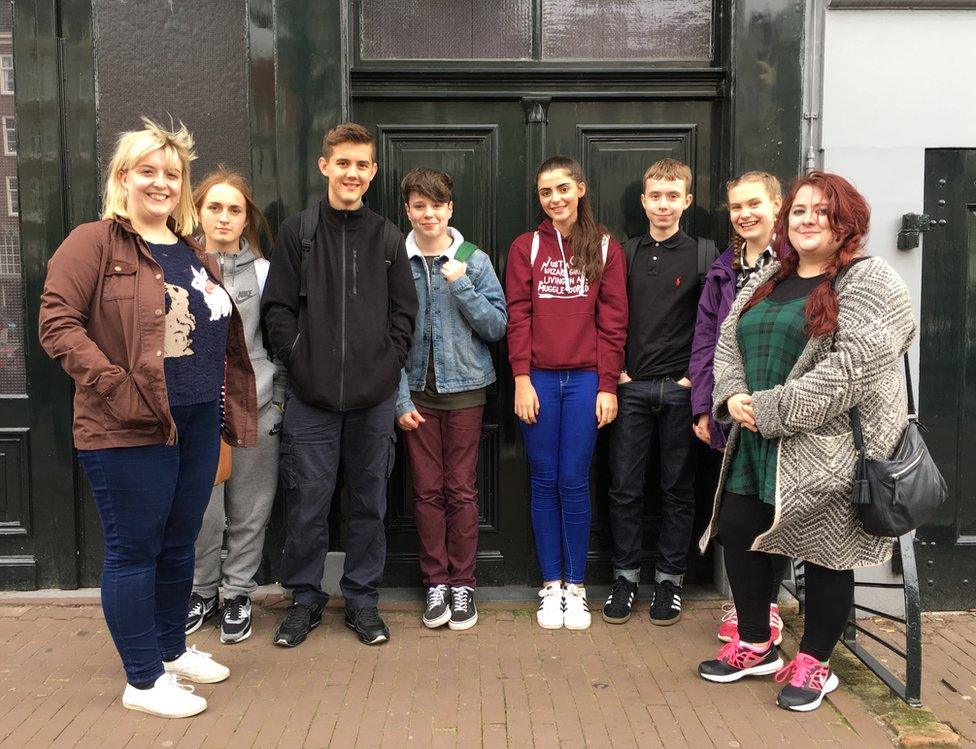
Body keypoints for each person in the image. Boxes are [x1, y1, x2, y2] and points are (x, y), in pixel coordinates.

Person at [38, 118, 257, 718]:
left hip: (193, 422)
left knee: (179, 543)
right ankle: (142, 679)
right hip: (127, 426)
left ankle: (168, 650)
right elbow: (57, 323)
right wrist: (114, 384)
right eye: (147, 171)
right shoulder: (93, 243)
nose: (160, 183)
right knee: (134, 550)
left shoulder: (190, 251)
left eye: (171, 173)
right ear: (122, 178)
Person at [696, 172, 915, 712]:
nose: (808, 220)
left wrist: (769, 409)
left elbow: (853, 369)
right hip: (755, 438)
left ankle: (816, 663)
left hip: (831, 448)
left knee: (825, 553)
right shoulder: (768, 277)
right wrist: (732, 397)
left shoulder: (871, 280)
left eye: (823, 211)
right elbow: (726, 345)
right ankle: (756, 643)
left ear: (848, 222)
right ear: (785, 221)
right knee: (741, 529)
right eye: (799, 211)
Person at [262, 122, 418, 647]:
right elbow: (278, 310)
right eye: (343, 162)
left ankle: (361, 601)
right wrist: (300, 362)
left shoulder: (389, 237)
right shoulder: (298, 232)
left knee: (369, 504)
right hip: (312, 399)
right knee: (308, 502)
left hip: (373, 401)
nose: (352, 172)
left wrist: (387, 363)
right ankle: (304, 600)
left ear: (373, 172)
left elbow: (404, 313)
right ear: (325, 165)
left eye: (361, 165)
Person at [506, 155, 628, 631]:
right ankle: (550, 584)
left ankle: (576, 587)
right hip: (536, 379)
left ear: (580, 188)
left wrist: (606, 385)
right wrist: (520, 378)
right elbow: (518, 315)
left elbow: (613, 320)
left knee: (574, 481)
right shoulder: (527, 246)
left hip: (584, 381)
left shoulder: (604, 246)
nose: (554, 199)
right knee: (543, 481)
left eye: (562, 188)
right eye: (545, 192)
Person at [395, 167, 507, 631]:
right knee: (425, 491)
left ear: (450, 209)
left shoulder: (472, 259)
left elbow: (497, 326)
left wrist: (460, 283)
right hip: (417, 394)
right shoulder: (396, 262)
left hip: (465, 392)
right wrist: (400, 399)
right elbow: (388, 336)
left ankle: (463, 584)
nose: (428, 214)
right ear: (408, 210)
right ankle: (434, 583)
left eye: (436, 205)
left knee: (460, 490)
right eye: (419, 206)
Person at [603, 158, 714, 627]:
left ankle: (670, 581)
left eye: (673, 196)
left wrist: (695, 378)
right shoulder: (623, 253)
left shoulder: (706, 254)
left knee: (677, 491)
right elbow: (607, 318)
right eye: (656, 196)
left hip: (679, 392)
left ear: (687, 200)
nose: (664, 204)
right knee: (625, 490)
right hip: (632, 391)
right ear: (644, 200)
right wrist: (619, 376)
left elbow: (715, 326)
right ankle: (625, 578)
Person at [186, 168, 285, 644]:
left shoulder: (265, 273)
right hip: (197, 410)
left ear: (247, 220)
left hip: (258, 406)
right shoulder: (176, 265)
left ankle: (238, 593)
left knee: (250, 507)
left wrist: (278, 401)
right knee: (202, 510)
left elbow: (281, 342)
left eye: (234, 210)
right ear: (199, 211)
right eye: (215, 208)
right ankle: (201, 591)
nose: (224, 218)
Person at [688, 171, 788, 645]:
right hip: (732, 405)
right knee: (734, 515)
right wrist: (705, 406)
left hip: (778, 404)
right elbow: (706, 337)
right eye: (736, 207)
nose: (745, 215)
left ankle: (765, 608)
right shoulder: (723, 267)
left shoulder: (793, 261)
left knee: (773, 512)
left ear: (776, 205)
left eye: (754, 205)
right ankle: (746, 603)